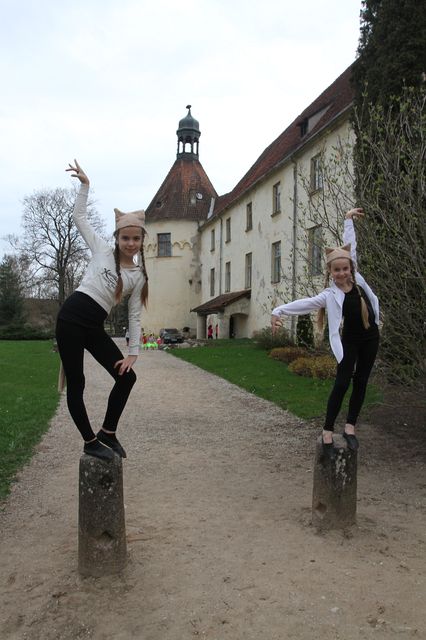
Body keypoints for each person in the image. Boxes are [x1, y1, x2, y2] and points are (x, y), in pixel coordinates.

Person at [55, 160, 148, 461]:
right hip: (71, 319)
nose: (130, 243)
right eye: (125, 238)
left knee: (127, 377)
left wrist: (133, 353)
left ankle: (108, 432)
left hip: (93, 326)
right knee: (77, 382)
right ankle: (89, 441)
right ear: (117, 238)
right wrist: (85, 186)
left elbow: (134, 315)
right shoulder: (102, 250)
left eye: (136, 238)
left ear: (142, 240)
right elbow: (79, 217)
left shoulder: (138, 276)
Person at [271, 208, 380, 460]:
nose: (341, 273)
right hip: (349, 342)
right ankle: (328, 430)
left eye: (345, 268)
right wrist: (278, 311)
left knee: (361, 382)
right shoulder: (330, 295)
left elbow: (351, 246)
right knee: (342, 384)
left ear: (350, 268)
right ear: (330, 272)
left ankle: (350, 427)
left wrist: (348, 219)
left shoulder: (358, 280)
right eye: (336, 270)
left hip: (371, 338)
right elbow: (304, 304)